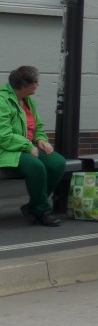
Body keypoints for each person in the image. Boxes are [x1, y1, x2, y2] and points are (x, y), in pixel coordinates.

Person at [1, 65, 67, 227]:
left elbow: (37, 126)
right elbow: (3, 135)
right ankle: (41, 210)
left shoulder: (28, 100)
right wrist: (28, 146)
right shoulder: (2, 101)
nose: (38, 84)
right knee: (36, 167)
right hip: (6, 148)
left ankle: (32, 206)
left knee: (57, 163)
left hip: (25, 146)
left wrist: (41, 140)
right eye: (35, 82)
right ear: (24, 85)